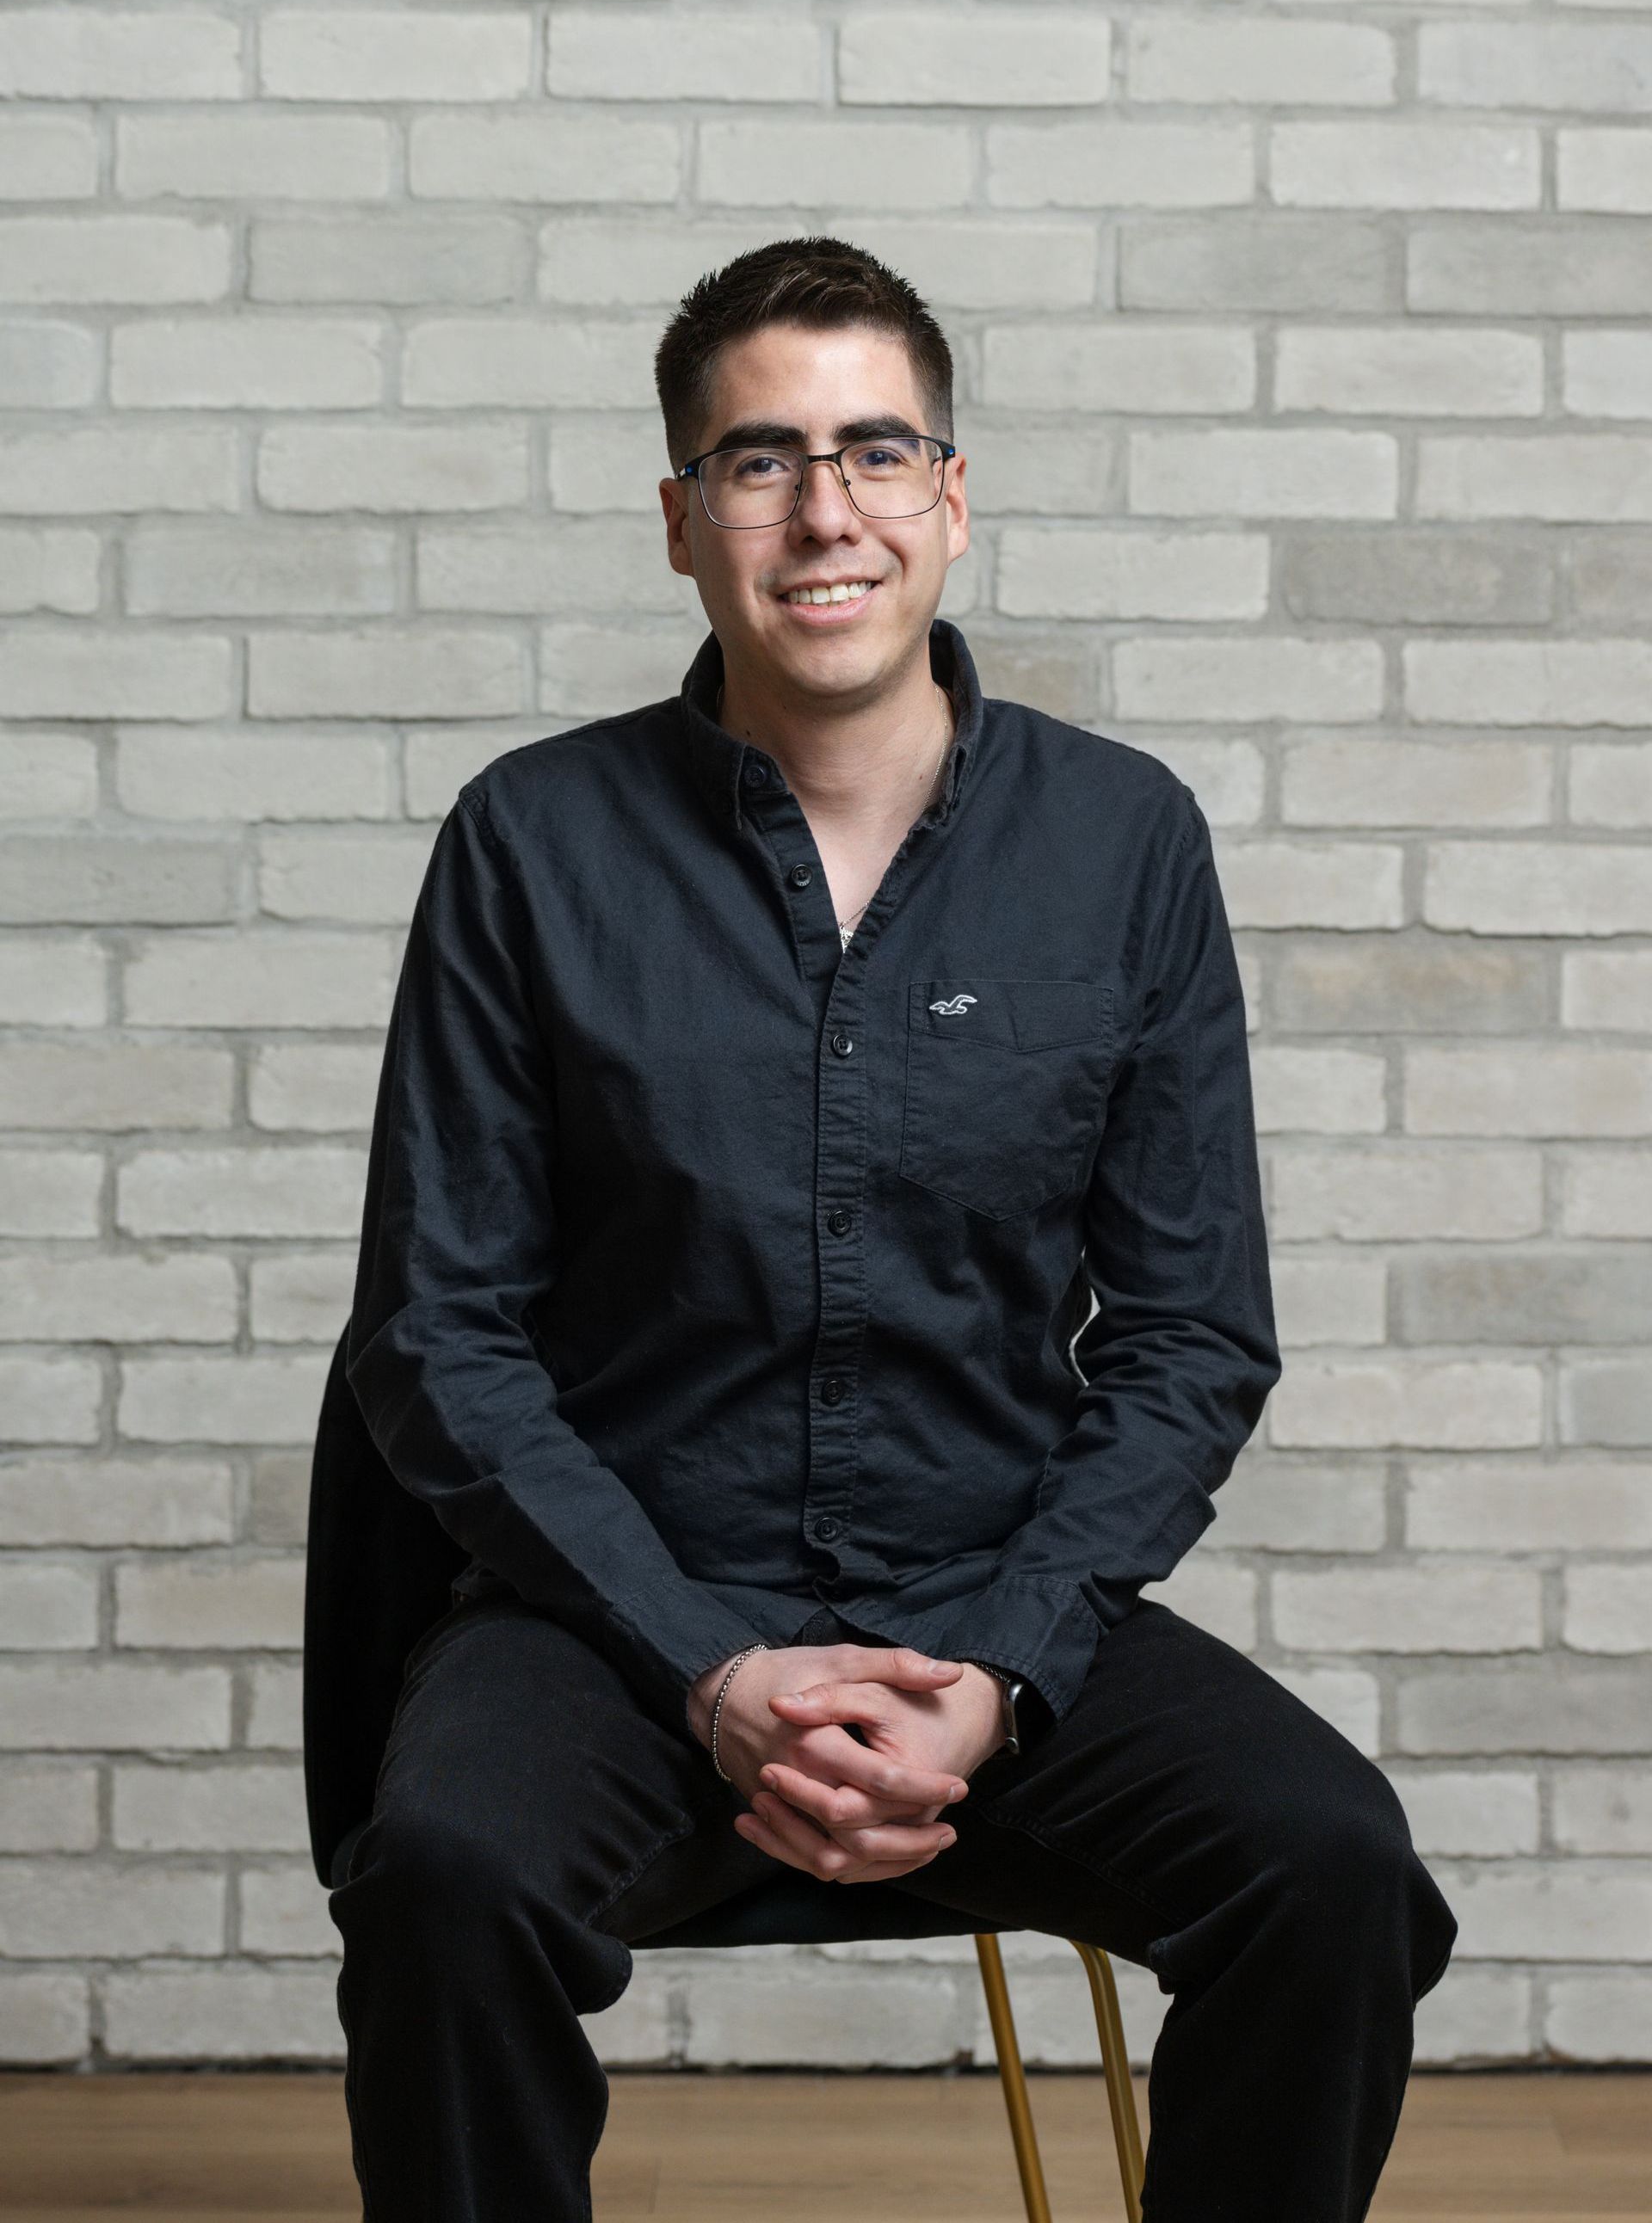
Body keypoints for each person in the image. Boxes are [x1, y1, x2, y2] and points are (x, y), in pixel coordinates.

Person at [330, 236, 1458, 2221]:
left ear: (951, 495)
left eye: (874, 450)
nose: (822, 509)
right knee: (445, 1874)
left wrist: (1000, 1671)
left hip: (991, 1600)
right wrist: (706, 1665)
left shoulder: (1124, 844)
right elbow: (442, 1339)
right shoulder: (532, 841)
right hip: (615, 1615)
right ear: (684, 522)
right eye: (759, 461)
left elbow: (1192, 1336)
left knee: (1336, 1869)